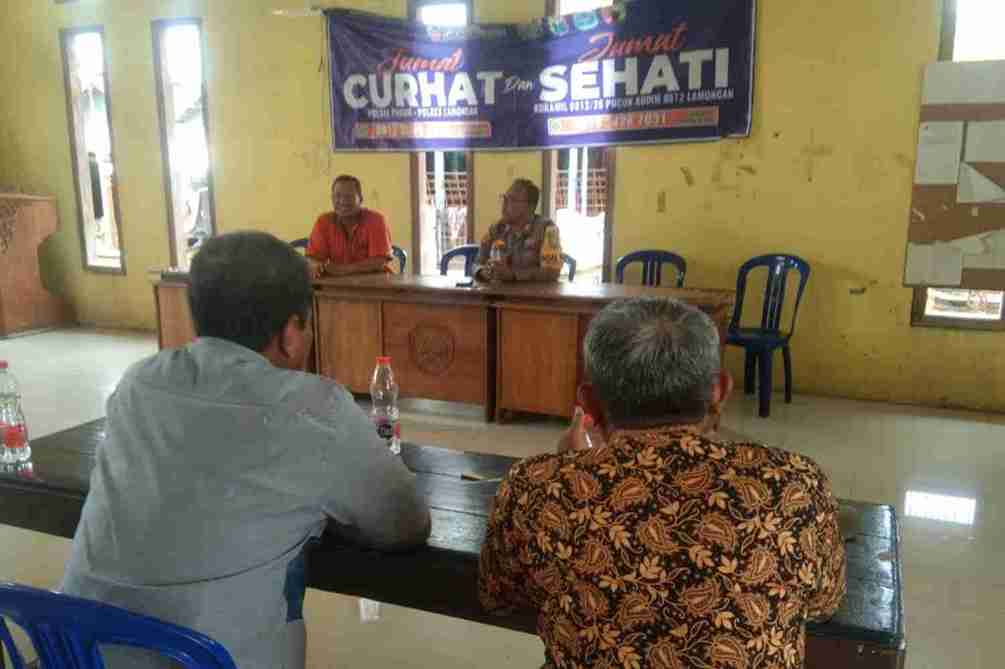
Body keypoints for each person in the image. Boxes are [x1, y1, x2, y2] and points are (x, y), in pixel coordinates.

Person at [61, 231, 430, 669]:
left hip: (73, 654)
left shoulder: (138, 382)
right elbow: (405, 523)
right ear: (291, 333)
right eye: (307, 325)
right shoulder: (313, 408)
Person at [479, 297, 846, 669]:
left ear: (588, 401)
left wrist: (567, 472)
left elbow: (499, 595)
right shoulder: (796, 485)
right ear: (719, 390)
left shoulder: (536, 485)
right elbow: (824, 602)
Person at [473, 178, 563, 282]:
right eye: (504, 198)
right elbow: (476, 264)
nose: (504, 205)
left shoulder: (548, 229)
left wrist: (514, 275)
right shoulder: (496, 228)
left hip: (533, 292)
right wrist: (482, 272)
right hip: (499, 291)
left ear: (530, 207)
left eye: (512, 200)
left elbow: (552, 272)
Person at [306, 174, 393, 278]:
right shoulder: (323, 221)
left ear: (361, 199)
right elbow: (313, 258)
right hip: (335, 283)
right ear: (332, 199)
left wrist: (343, 270)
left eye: (349, 196)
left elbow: (380, 261)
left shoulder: (376, 220)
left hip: (375, 283)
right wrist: (315, 265)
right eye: (337, 196)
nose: (343, 201)